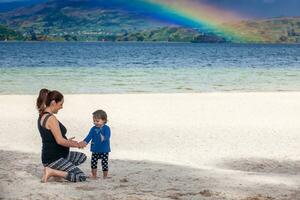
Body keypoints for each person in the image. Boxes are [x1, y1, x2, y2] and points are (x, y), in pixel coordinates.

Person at [36, 88, 87, 183]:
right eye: (61, 104)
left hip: (54, 155)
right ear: (53, 103)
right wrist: (77, 144)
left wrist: (67, 140)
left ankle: (54, 170)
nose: (62, 107)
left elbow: (52, 138)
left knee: (82, 157)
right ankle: (52, 172)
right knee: (81, 177)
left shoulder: (42, 115)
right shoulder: (51, 118)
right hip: (53, 159)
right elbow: (59, 141)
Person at [80, 110, 111, 179]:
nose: (95, 123)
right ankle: (94, 175)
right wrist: (84, 142)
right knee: (93, 163)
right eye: (94, 121)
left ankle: (105, 176)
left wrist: (104, 138)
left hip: (104, 150)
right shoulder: (93, 129)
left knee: (104, 163)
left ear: (104, 120)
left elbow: (108, 136)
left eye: (97, 121)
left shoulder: (106, 128)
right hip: (95, 149)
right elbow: (89, 136)